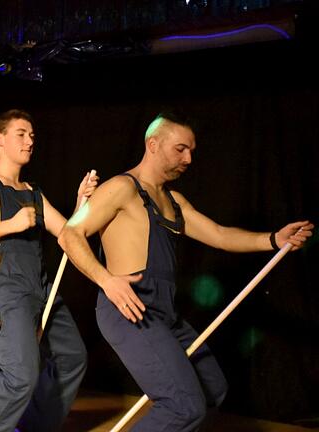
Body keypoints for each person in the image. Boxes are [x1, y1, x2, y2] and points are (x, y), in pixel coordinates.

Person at [59, 112, 313, 431]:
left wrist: (274, 239)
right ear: (153, 144)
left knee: (212, 390)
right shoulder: (122, 188)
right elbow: (69, 234)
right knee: (182, 407)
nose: (188, 158)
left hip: (165, 312)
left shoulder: (174, 201)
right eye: (180, 149)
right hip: (128, 308)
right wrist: (106, 280)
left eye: (191, 150)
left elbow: (219, 234)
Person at [0, 109, 96, 432]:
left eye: (32, 135)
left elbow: (67, 232)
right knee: (20, 375)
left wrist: (81, 204)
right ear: (0, 139)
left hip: (38, 286)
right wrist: (11, 224)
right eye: (21, 134)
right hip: (2, 285)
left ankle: (34, 426)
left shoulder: (34, 192)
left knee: (72, 356)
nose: (30, 141)